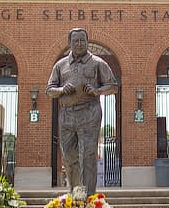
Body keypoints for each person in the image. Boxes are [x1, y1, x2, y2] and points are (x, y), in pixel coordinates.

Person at [46, 28, 118, 195]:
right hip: (66, 115)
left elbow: (113, 86)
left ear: (87, 42)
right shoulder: (60, 65)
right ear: (69, 43)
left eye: (82, 40)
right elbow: (49, 90)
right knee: (69, 157)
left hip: (89, 112)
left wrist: (97, 91)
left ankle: (88, 198)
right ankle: (75, 194)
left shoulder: (98, 63)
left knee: (88, 156)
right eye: (75, 41)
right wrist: (62, 90)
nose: (79, 44)